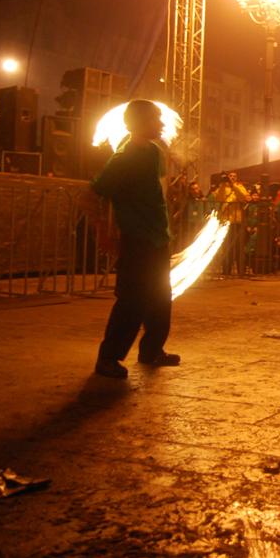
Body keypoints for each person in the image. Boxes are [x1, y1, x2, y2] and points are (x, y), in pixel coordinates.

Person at [87, 99, 179, 379]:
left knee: (161, 298)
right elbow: (93, 195)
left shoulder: (153, 152)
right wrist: (104, 232)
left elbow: (156, 190)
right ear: (141, 122)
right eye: (156, 119)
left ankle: (151, 350)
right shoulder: (123, 158)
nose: (162, 124)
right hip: (137, 240)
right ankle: (108, 359)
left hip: (156, 239)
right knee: (132, 301)